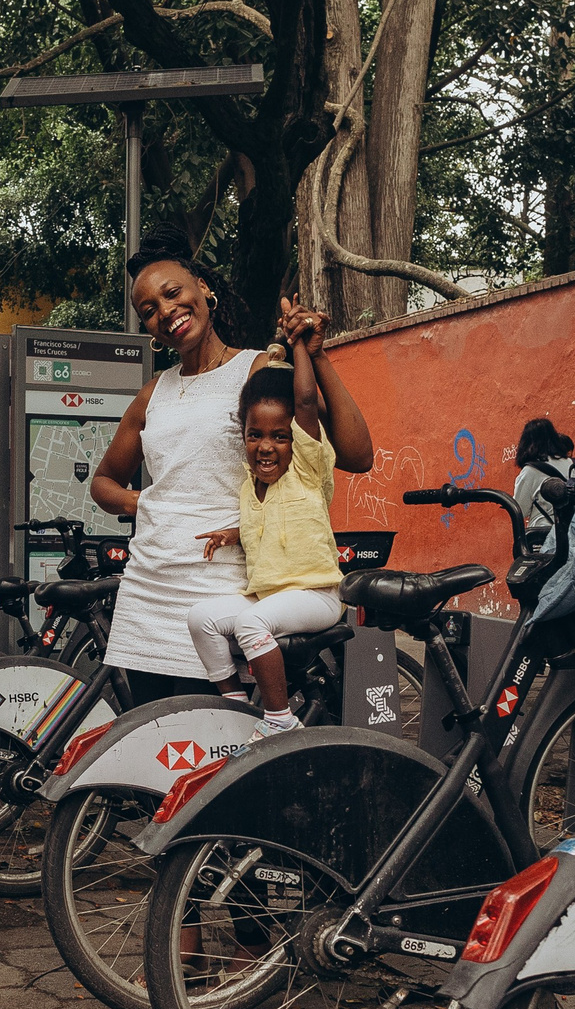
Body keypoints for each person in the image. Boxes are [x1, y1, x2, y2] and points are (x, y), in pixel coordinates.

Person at [88, 228, 375, 703]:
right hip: (148, 593)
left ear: (203, 287)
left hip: (223, 589)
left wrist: (318, 356)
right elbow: (103, 482)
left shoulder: (258, 370)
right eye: (149, 310)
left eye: (173, 293)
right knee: (152, 739)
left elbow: (356, 455)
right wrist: (145, 501)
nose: (166, 312)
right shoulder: (152, 393)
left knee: (217, 741)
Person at [187, 332, 345, 738]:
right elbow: (268, 522)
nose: (266, 447)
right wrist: (231, 534)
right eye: (255, 435)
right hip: (271, 598)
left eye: (280, 436)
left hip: (317, 596)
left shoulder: (305, 472)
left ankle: (278, 719)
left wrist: (300, 347)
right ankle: (235, 705)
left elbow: (307, 403)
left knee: (252, 623)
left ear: (297, 440)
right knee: (201, 618)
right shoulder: (247, 486)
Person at [510, 418, 575, 538]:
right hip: (574, 533)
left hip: (543, 535)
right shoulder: (572, 463)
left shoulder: (531, 470)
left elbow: (520, 510)